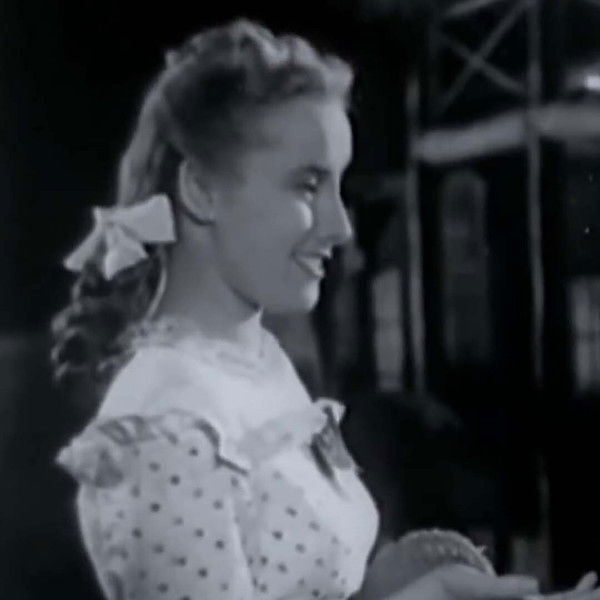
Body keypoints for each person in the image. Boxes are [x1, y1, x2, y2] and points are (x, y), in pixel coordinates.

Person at [51, 18, 599, 600]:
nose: (341, 228)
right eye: (308, 186)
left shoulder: (254, 365)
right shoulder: (167, 425)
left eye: (339, 185)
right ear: (201, 191)